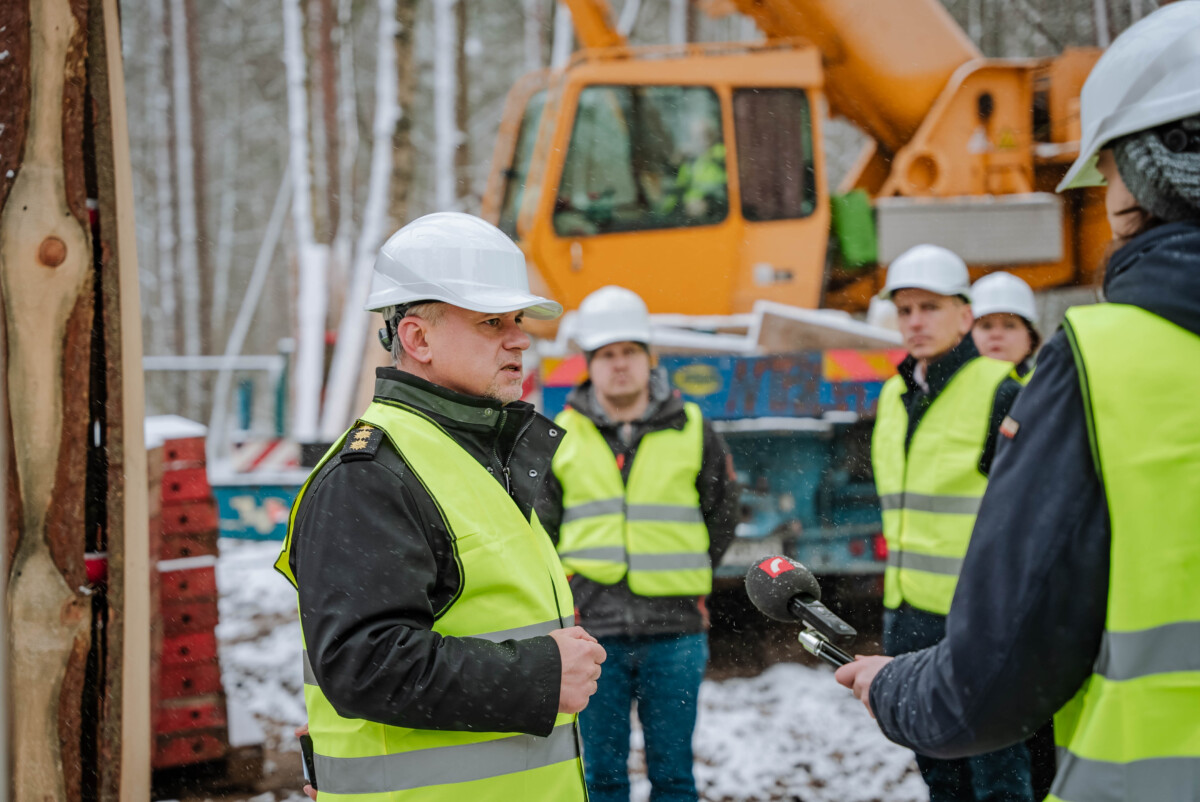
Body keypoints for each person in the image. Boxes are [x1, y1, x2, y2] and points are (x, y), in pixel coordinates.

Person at [836, 4, 1200, 800]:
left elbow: (1000, 674)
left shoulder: (1102, 364)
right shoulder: (904, 398)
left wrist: (897, 689)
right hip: (915, 616)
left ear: (1138, 181)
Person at [274, 212, 604, 801]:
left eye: (519, 319)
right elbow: (362, 663)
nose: (521, 338)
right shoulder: (372, 474)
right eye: (491, 321)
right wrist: (540, 674)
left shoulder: (473, 455)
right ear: (418, 339)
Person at [536, 286, 740, 802]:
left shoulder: (695, 429)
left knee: (674, 779)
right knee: (601, 779)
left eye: (629, 352)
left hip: (675, 632)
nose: (619, 364)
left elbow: (722, 516)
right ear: (590, 364)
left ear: (649, 358)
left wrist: (686, 572)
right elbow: (544, 531)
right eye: (607, 354)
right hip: (593, 633)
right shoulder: (562, 435)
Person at [870, 244, 1032, 802]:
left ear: (964, 315)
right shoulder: (894, 395)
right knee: (940, 773)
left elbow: (1030, 512)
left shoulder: (1000, 390)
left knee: (997, 776)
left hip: (980, 622)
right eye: (905, 309)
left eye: (929, 308)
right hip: (911, 617)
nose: (915, 321)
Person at [970, 272, 1041, 380]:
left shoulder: (1047, 389)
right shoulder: (947, 387)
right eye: (986, 326)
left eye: (1009, 326)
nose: (996, 334)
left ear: (1030, 337)